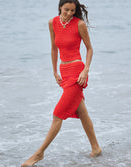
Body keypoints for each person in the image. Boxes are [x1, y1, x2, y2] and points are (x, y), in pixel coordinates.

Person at [21, 0, 102, 166]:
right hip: (63, 73)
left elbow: (90, 49)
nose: (69, 13)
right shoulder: (53, 22)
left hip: (77, 73)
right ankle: (96, 147)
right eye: (66, 10)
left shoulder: (79, 25)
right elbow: (53, 48)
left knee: (57, 115)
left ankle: (39, 154)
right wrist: (54, 71)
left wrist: (86, 70)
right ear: (60, 7)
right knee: (82, 112)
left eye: (73, 10)